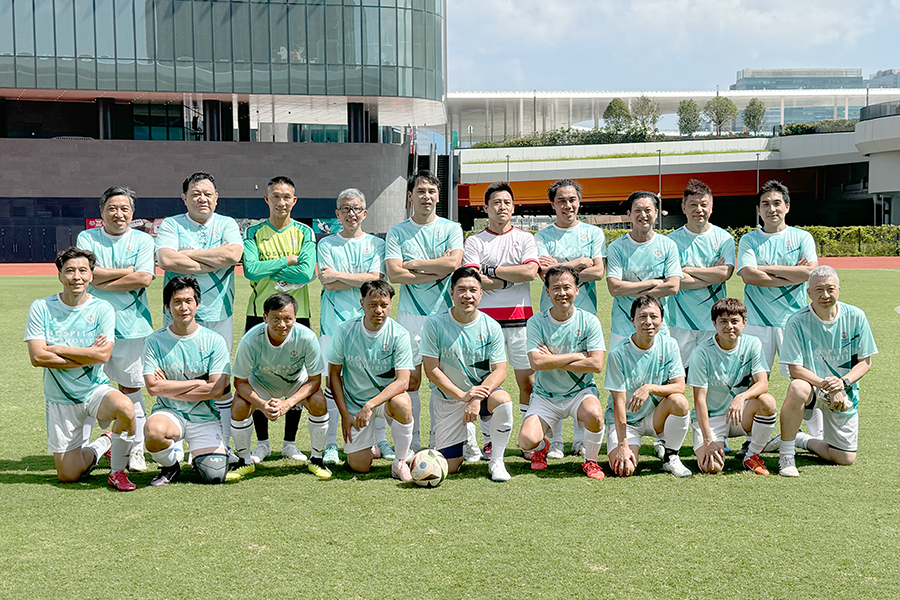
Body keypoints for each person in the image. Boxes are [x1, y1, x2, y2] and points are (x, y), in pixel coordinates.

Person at [25, 247, 136, 490]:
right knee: (69, 476)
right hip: (60, 398)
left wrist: (56, 348)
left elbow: (103, 355)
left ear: (91, 275)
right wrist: (89, 354)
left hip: (94, 391)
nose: (77, 277)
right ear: (60, 276)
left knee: (126, 408)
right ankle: (103, 445)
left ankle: (117, 472)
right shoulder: (42, 307)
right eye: (70, 271)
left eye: (83, 271)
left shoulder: (102, 309)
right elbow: (37, 357)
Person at [155, 172, 243, 458]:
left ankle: (224, 441)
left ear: (216, 197)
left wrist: (190, 255)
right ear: (184, 198)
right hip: (178, 316)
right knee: (174, 374)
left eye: (207, 193)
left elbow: (232, 256)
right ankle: (176, 438)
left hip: (219, 311)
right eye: (195, 193)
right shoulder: (171, 224)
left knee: (220, 380)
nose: (201, 198)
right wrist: (211, 259)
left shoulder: (227, 223)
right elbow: (166, 259)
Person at [769, 266, 877, 477]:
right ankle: (786, 455)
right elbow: (795, 369)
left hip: (844, 389)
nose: (825, 295)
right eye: (818, 290)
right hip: (812, 387)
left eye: (830, 289)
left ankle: (801, 439)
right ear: (809, 293)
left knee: (845, 458)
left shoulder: (856, 316)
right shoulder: (796, 321)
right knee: (797, 387)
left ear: (839, 289)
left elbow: (865, 362)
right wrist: (829, 386)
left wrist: (842, 383)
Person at [76, 186, 155, 472]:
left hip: (132, 325)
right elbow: (89, 274)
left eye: (125, 209)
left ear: (132, 214)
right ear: (102, 212)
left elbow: (145, 278)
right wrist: (126, 271)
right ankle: (81, 448)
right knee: (86, 387)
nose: (118, 214)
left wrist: (100, 281)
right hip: (91, 325)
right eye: (112, 208)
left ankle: (136, 450)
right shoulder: (87, 237)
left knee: (131, 388)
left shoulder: (143, 240)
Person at [385, 171, 464, 452]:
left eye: (431, 191)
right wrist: (435, 268)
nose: (426, 196)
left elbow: (453, 264)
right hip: (410, 316)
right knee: (412, 380)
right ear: (410, 197)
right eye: (421, 191)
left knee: (448, 379)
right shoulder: (397, 232)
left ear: (438, 196)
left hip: (445, 315)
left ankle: (443, 439)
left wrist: (414, 264)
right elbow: (394, 274)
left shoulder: (452, 228)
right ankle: (414, 440)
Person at [736, 180, 822, 437]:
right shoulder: (749, 239)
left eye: (777, 203)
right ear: (758, 210)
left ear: (787, 206)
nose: (772, 209)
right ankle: (749, 438)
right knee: (754, 381)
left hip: (794, 320)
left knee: (804, 379)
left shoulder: (801, 237)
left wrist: (765, 268)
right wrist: (792, 273)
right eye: (766, 204)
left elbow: (810, 272)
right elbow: (749, 276)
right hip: (756, 321)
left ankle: (816, 434)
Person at [242, 176, 317, 464]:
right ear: (267, 200)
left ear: (294, 201)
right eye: (276, 196)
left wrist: (268, 269)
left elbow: (306, 273)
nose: (281, 202)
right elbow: (250, 269)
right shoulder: (253, 232)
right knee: (256, 377)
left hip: (298, 314)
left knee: (296, 378)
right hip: (258, 313)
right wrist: (287, 261)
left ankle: (289, 443)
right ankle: (261, 443)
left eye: (287, 197)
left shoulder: (305, 233)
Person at [462, 183, 539, 463]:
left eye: (506, 202)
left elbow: (531, 271)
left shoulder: (525, 238)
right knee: (485, 384)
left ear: (513, 207)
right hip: (484, 323)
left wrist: (493, 273)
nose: (502, 207)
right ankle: (489, 441)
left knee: (528, 383)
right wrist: (511, 277)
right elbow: (471, 279)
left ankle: (528, 440)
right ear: (485, 208)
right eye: (496, 202)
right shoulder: (474, 241)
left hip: (521, 321)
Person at [533, 179, 606, 458]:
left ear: (579, 202)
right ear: (553, 204)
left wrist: (560, 268)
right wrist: (579, 263)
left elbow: (598, 271)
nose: (568, 205)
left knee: (582, 370)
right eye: (561, 200)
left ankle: (578, 438)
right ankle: (557, 441)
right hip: (551, 315)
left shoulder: (593, 233)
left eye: (572, 199)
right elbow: (544, 276)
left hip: (584, 314)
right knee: (552, 367)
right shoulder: (541, 236)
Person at [421, 267, 515, 482]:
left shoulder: (491, 326)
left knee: (502, 399)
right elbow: (431, 369)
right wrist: (462, 396)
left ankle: (496, 461)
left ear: (481, 293)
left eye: (473, 290)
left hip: (480, 396)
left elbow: (500, 370)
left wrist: (475, 397)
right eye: (461, 290)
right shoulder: (434, 324)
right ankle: (467, 435)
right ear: (451, 293)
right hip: (449, 399)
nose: (467, 295)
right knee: (450, 467)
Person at [317, 188, 387, 466]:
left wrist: (340, 276)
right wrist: (360, 279)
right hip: (333, 323)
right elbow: (327, 282)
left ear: (365, 213)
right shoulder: (327, 244)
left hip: (368, 323)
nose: (351, 214)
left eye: (356, 208)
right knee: (333, 383)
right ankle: (332, 444)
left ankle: (379, 440)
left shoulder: (376, 244)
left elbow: (375, 280)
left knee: (375, 378)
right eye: (345, 209)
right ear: (337, 214)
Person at [518, 266, 607, 480]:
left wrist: (553, 359)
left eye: (567, 287)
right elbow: (537, 362)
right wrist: (577, 356)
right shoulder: (536, 322)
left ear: (577, 290)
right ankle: (542, 445)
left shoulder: (589, 321)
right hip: (545, 396)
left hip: (580, 392)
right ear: (547, 292)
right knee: (525, 440)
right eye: (555, 288)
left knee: (595, 414)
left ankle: (591, 461)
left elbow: (596, 364)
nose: (562, 293)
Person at [230, 293, 331, 480]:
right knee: (239, 405)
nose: (282, 324)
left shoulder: (307, 337)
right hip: (260, 383)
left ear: (295, 318)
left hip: (295, 382)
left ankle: (317, 459)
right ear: (265, 317)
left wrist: (289, 403)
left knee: (318, 401)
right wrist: (261, 404)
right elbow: (240, 382)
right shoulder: (250, 340)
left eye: (287, 319)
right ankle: (244, 461)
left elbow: (315, 380)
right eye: (275, 318)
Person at [143, 276, 231, 486]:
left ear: (197, 304)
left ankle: (202, 455)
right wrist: (198, 384)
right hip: (170, 413)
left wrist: (168, 387)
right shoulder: (154, 341)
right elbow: (153, 387)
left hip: (205, 417)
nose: (183, 307)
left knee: (214, 476)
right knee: (153, 432)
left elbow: (217, 389)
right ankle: (170, 466)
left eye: (188, 301)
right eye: (177, 302)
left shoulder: (214, 340)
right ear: (167, 306)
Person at [326, 280, 416, 482]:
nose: (379, 310)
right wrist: (345, 414)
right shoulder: (344, 331)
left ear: (391, 304)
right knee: (359, 467)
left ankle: (400, 461)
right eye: (372, 304)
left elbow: (403, 382)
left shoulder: (399, 334)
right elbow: (333, 375)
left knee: (402, 402)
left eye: (384, 305)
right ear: (362, 303)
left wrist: (372, 404)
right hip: (355, 405)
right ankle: (369, 449)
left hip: (383, 401)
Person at [605, 296, 692, 478]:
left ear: (662, 319)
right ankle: (633, 444)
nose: (648, 322)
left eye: (654, 316)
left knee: (680, 402)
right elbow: (619, 404)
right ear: (632, 321)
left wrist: (649, 388)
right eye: (642, 317)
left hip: (655, 417)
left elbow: (680, 386)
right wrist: (622, 444)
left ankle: (671, 456)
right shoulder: (618, 353)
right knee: (623, 469)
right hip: (627, 421)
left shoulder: (669, 344)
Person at [688, 298, 776, 475]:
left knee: (767, 402)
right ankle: (713, 443)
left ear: (744, 322)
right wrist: (707, 440)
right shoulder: (701, 353)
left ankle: (752, 455)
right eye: (723, 321)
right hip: (712, 418)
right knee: (711, 467)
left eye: (735, 321)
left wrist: (741, 397)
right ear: (714, 323)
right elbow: (699, 400)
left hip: (739, 415)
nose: (729, 326)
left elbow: (763, 383)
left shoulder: (753, 344)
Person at [666, 179, 735, 368]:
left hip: (713, 320)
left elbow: (725, 273)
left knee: (712, 379)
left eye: (704, 205)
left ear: (711, 207)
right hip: (679, 321)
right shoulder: (671, 241)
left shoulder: (724, 239)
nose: (699, 209)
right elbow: (675, 280)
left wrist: (688, 270)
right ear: (683, 208)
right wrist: (712, 275)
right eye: (693, 205)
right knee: (677, 377)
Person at [606, 191, 682, 351]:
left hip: (658, 325)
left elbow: (673, 287)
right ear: (629, 214)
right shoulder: (616, 247)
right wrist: (654, 282)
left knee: (659, 374)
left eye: (648, 210)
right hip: (623, 326)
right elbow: (614, 288)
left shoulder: (668, 245)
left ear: (656, 213)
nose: (643, 215)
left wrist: (629, 288)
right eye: (637, 210)